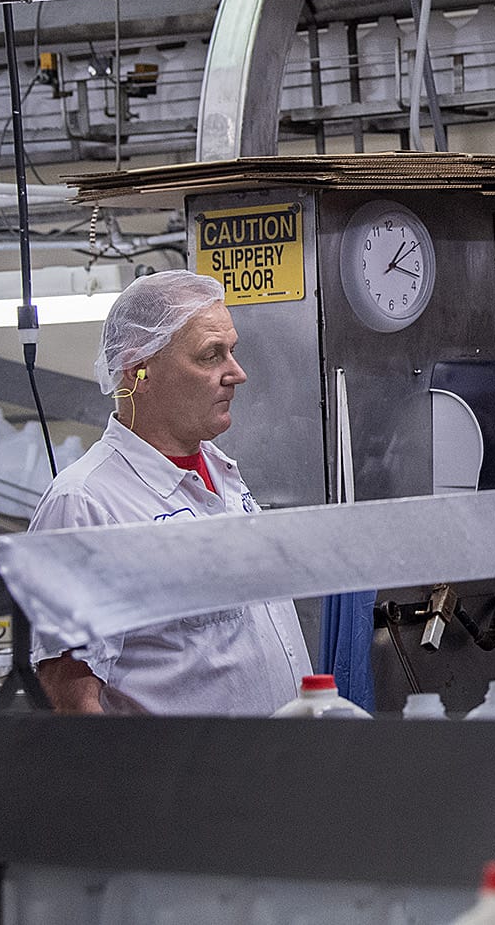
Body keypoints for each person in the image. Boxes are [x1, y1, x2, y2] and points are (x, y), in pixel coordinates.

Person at [29, 269, 310, 714]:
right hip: (181, 781)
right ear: (138, 369)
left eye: (231, 352)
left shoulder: (223, 475)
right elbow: (72, 702)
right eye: (210, 356)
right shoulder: (86, 504)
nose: (236, 373)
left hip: (277, 772)